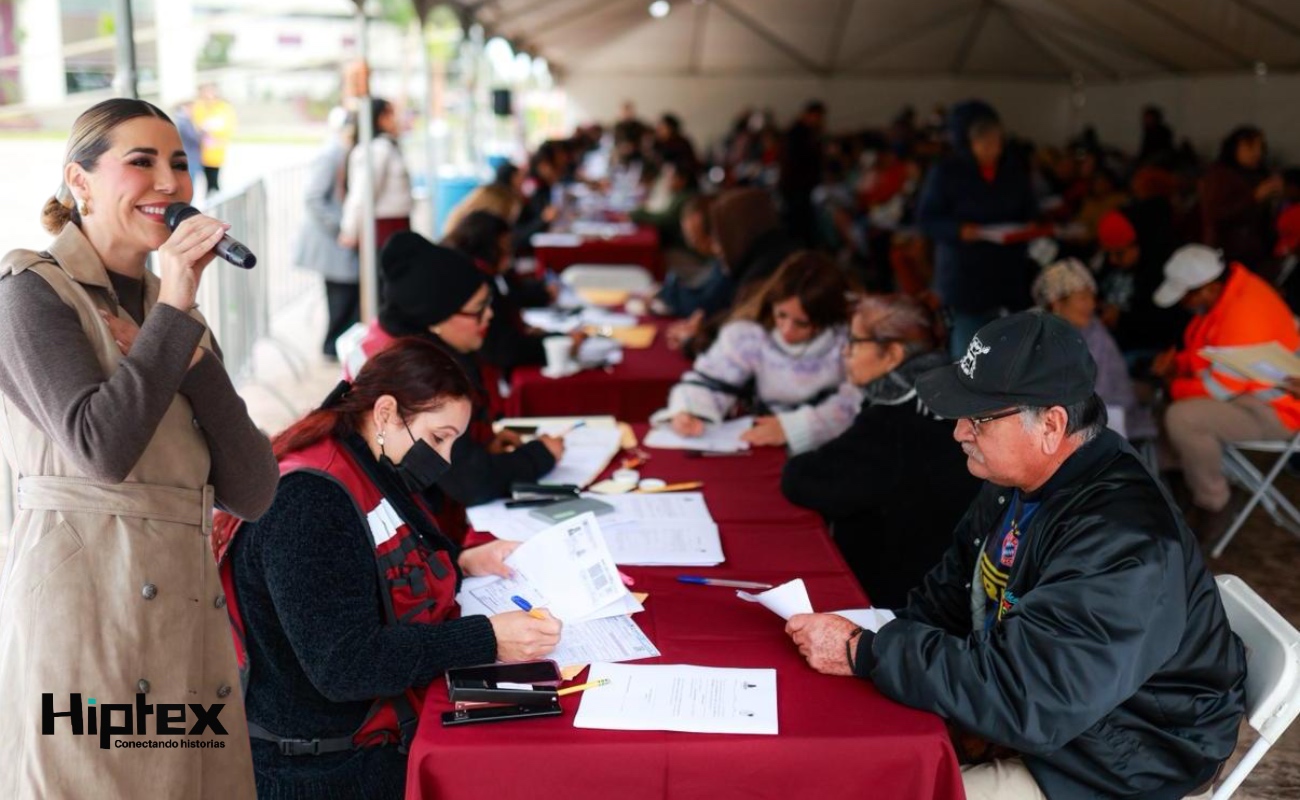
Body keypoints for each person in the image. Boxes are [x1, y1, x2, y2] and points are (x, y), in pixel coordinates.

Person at [787, 312, 1247, 800]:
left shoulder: (1124, 542)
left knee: (884, 787)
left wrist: (869, 651)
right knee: (843, 758)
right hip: (1054, 721)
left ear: (1051, 425)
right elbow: (950, 593)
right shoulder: (1022, 481)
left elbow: (1030, 700)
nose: (959, 432)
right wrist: (881, 648)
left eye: (979, 419)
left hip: (1122, 759)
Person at [0, 98, 278, 798]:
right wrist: (177, 314)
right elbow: (100, 448)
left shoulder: (169, 310)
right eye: (141, 162)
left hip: (187, 627)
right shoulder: (31, 294)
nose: (169, 183)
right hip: (89, 621)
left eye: (180, 165)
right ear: (81, 181)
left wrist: (193, 356)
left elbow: (253, 490)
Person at [213, 339, 561, 799]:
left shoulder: (361, 461)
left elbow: (367, 571)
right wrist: (488, 637)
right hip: (325, 770)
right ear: (386, 413)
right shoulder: (307, 501)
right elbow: (346, 665)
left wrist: (461, 560)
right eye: (439, 438)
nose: (446, 459)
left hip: (359, 737)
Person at [347, 233, 563, 537]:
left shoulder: (396, 339)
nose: (489, 315)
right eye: (477, 309)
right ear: (435, 318)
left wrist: (478, 442)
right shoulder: (416, 376)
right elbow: (468, 480)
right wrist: (541, 455)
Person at [781, 295, 980, 607]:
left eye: (855, 342)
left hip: (897, 600)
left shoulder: (893, 419)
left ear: (892, 354)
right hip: (946, 585)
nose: (845, 352)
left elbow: (806, 481)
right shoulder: (949, 394)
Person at [1151, 244, 1300, 535]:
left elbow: (1215, 387)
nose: (1184, 304)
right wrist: (1177, 364)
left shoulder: (1245, 313)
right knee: (1171, 407)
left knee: (1183, 417)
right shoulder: (1226, 297)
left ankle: (1213, 502)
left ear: (1206, 289)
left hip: (1279, 411)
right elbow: (1207, 353)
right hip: (1253, 398)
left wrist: (1172, 382)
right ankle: (1183, 481)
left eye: (1185, 297)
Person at [652, 252, 860, 454]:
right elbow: (711, 380)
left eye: (802, 323)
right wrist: (690, 410)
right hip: (759, 445)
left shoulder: (848, 342)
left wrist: (795, 428)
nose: (787, 329)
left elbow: (854, 402)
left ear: (825, 319)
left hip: (828, 451)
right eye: (781, 315)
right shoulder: (750, 336)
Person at [916, 100, 1038, 357]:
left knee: (1006, 351)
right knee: (969, 351)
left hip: (1007, 274)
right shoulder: (946, 173)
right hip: (965, 278)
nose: (992, 150)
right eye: (985, 144)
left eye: (997, 143)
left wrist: (1029, 227)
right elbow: (927, 219)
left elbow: (1029, 209)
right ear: (969, 144)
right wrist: (959, 230)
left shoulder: (1013, 170)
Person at [443, 209, 582, 374]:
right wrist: (560, 343)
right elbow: (503, 349)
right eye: (506, 247)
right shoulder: (476, 281)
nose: (510, 253)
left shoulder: (476, 271)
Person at [1031, 259, 1156, 441]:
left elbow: (1098, 392)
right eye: (1082, 298)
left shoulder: (1095, 334)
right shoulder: (1034, 330)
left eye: (1092, 297)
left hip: (1102, 412)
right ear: (1057, 303)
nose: (1091, 305)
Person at [294, 107, 360, 361]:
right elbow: (313, 198)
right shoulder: (331, 154)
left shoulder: (343, 153)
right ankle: (333, 350)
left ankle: (337, 349)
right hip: (332, 240)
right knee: (341, 299)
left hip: (339, 240)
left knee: (346, 298)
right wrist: (341, 227)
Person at [1199, 126, 1282, 270]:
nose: (1257, 153)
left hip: (1257, 251)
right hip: (1230, 252)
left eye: (1260, 147)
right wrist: (1254, 197)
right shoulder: (1221, 175)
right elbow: (1216, 213)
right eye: (1250, 147)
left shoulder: (1258, 174)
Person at [340, 98, 413, 253]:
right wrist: (350, 229)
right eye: (390, 114)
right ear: (379, 118)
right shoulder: (377, 149)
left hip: (394, 228)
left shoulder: (387, 146)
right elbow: (363, 193)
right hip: (383, 230)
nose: (396, 119)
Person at [779, 100, 827, 245]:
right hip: (798, 186)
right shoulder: (799, 134)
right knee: (800, 223)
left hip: (798, 186)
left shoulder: (800, 132)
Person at [191, 82, 237, 195]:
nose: (208, 95)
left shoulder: (223, 107)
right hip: (198, 151)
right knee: (203, 181)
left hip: (215, 151)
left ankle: (214, 201)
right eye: (206, 92)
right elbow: (196, 125)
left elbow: (228, 126)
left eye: (210, 92)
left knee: (213, 181)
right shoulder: (199, 106)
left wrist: (212, 130)